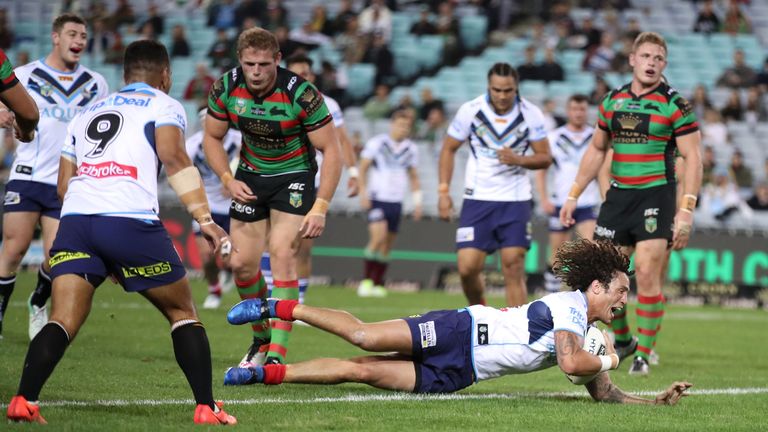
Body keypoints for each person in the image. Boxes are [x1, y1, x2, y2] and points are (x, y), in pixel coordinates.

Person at [5, 39, 236, 425]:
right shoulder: (164, 105)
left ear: (125, 75)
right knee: (182, 311)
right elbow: (176, 159)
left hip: (76, 222)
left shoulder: (87, 111)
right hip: (129, 220)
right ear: (165, 75)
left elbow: (64, 185)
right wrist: (205, 219)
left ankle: (23, 401)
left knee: (62, 319)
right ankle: (207, 408)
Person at [222, 238, 693, 406]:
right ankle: (274, 307)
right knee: (363, 336)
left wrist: (654, 404)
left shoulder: (588, 329)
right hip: (459, 329)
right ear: (595, 289)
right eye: (620, 292)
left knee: (359, 370)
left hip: (461, 372)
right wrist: (610, 354)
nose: (622, 302)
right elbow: (573, 365)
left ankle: (257, 374)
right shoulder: (571, 306)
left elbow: (602, 390)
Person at [560, 32, 703, 376]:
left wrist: (686, 209)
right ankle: (624, 341)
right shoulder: (612, 101)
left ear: (664, 64)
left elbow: (693, 157)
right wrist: (573, 194)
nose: (652, 63)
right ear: (633, 60)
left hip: (656, 196)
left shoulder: (675, 105)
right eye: (646, 56)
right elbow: (596, 150)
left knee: (649, 272)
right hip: (618, 197)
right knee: (609, 277)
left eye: (658, 58)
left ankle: (644, 353)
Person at [203, 27, 342, 368]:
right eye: (250, 63)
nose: (256, 72)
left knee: (281, 252)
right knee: (241, 264)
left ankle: (278, 353)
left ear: (278, 60)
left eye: (264, 64)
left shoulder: (302, 94)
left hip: (294, 177)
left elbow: (332, 151)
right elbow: (211, 138)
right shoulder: (225, 88)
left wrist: (320, 207)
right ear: (240, 60)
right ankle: (261, 338)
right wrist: (227, 178)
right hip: (250, 177)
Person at [0, 14, 109, 341]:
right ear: (55, 37)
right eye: (72, 33)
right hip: (27, 174)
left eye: (84, 35)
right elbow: (5, 109)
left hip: (68, 179)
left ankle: (37, 301)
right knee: (14, 248)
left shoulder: (96, 83)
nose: (79, 40)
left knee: (55, 256)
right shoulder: (25, 74)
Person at [438, 62, 552, 307]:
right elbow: (448, 149)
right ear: (488, 87)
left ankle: (517, 334)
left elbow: (545, 157)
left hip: (515, 200)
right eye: (496, 90)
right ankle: (482, 314)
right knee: (467, 268)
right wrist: (444, 191)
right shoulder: (470, 111)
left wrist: (519, 159)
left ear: (516, 88)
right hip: (478, 198)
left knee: (513, 265)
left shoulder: (531, 114)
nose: (501, 96)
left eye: (507, 90)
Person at [260, 52, 359, 308]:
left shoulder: (327, 103)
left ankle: (299, 303)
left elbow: (341, 141)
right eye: (295, 73)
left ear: (311, 76)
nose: (300, 78)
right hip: (278, 178)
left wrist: (354, 173)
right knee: (273, 241)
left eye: (304, 73)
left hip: (311, 182)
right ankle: (271, 299)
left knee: (302, 246)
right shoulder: (272, 99)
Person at [535, 94, 601, 294]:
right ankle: (551, 298)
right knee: (557, 256)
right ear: (568, 111)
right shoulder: (554, 137)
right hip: (561, 202)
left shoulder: (596, 137)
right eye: (574, 109)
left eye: (582, 109)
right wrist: (544, 198)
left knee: (591, 251)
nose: (578, 113)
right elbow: (541, 169)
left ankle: (584, 300)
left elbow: (604, 169)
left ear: (587, 111)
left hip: (588, 202)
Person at [357, 110, 421, 297]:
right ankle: (366, 281)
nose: (403, 129)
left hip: (396, 200)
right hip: (377, 198)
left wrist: (418, 203)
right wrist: (363, 192)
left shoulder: (411, 149)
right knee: (378, 238)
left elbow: (414, 177)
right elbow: (363, 168)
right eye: (401, 125)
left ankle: (378, 284)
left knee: (387, 245)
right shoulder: (377, 143)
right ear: (392, 124)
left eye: (407, 127)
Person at [185, 109, 241, 309]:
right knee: (207, 255)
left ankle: (228, 273)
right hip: (207, 206)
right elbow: (182, 172)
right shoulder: (193, 145)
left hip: (235, 207)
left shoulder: (238, 140)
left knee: (230, 259)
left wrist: (235, 182)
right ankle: (214, 290)